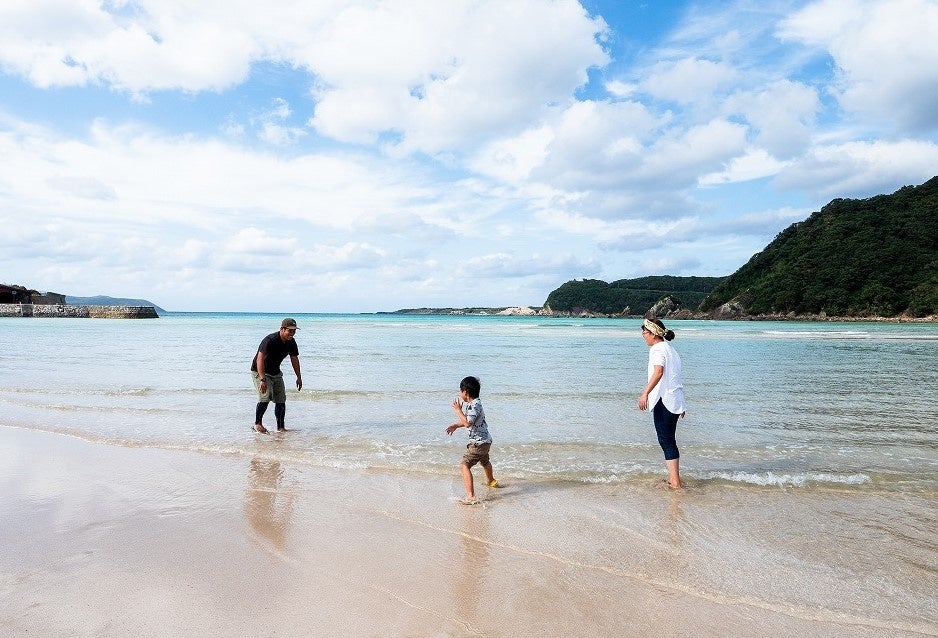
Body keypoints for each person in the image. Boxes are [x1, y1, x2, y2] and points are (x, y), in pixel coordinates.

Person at [638, 317, 687, 489]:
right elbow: (675, 377)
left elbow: (659, 372)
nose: (643, 335)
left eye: (644, 332)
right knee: (668, 440)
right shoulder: (670, 349)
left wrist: (645, 393)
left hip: (664, 400)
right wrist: (682, 403)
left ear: (652, 333)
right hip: (673, 400)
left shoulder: (658, 349)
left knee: (666, 440)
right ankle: (674, 479)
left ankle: (675, 482)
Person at [445, 376, 498, 504]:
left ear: (465, 392)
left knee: (465, 465)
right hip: (486, 441)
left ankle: (471, 496)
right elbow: (471, 422)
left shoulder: (473, 406)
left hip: (478, 443)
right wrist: (457, 425)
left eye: (460, 391)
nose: (460, 393)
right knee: (485, 461)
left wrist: (458, 410)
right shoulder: (476, 403)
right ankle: (491, 481)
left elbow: (468, 423)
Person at [251, 318, 303, 434]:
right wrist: (262, 379)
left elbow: (294, 359)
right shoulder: (270, 340)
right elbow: (260, 360)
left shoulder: (291, 342)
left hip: (276, 372)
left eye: (294, 331)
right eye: (290, 331)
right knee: (265, 397)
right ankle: (257, 424)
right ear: (282, 329)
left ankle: (280, 428)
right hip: (260, 371)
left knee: (281, 399)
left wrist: (298, 377)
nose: (292, 334)